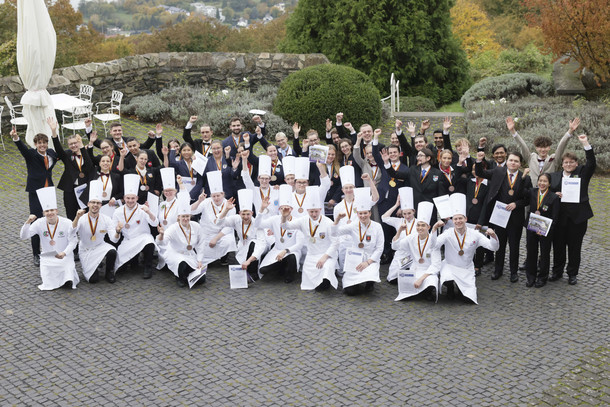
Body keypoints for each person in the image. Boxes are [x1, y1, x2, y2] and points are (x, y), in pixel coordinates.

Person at [475, 150, 531, 282]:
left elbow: (528, 198)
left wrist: (517, 204)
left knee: (514, 246)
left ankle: (513, 272)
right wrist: (478, 161)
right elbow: (480, 173)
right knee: (499, 244)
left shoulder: (525, 178)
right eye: (511, 160)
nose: (513, 163)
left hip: (515, 217)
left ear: (520, 164)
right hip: (499, 216)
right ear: (507, 161)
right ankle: (498, 270)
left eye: (516, 161)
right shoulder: (498, 171)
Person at [435, 193, 500, 304]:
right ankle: (450, 287)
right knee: (447, 278)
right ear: (452, 221)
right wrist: (434, 229)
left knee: (467, 299)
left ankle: (460, 288)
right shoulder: (447, 233)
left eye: (460, 218)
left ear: (466, 219)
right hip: (450, 266)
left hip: (466, 269)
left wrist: (493, 236)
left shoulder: (475, 234)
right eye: (455, 219)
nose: (458, 221)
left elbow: (493, 247)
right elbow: (434, 245)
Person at [549, 134, 595, 285]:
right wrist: (554, 195)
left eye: (572, 162)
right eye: (566, 162)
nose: (568, 164)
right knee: (558, 247)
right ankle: (557, 272)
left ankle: (572, 274)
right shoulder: (554, 177)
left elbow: (591, 163)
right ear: (562, 164)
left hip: (578, 218)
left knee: (575, 248)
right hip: (559, 218)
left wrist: (585, 143)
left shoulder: (582, 173)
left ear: (576, 163)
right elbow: (546, 192)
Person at [11, 125, 58, 266]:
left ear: (47, 144)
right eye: (39, 143)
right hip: (35, 192)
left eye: (44, 143)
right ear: (35, 144)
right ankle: (36, 254)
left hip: (48, 191)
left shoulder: (51, 153)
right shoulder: (31, 154)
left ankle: (52, 247)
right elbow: (22, 149)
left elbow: (61, 153)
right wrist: (16, 138)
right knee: (36, 221)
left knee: (52, 220)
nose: (42, 145)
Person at [280, 186, 339, 291]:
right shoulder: (302, 220)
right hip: (311, 256)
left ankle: (326, 280)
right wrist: (284, 217)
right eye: (311, 212)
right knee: (309, 283)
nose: (314, 214)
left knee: (326, 270)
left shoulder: (328, 222)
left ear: (320, 209)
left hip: (327, 255)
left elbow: (335, 242)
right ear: (307, 210)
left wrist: (324, 257)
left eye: (316, 211)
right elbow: (285, 226)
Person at [20, 187, 79, 290]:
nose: (50, 213)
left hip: (64, 256)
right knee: (49, 282)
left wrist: (64, 253)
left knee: (68, 277)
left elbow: (73, 241)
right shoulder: (39, 223)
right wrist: (28, 222)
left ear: (57, 211)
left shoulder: (67, 222)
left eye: (52, 210)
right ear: (43, 213)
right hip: (48, 258)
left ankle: (67, 279)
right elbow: (23, 236)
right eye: (47, 211)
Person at [332, 188, 384, 295]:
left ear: (370, 213)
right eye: (360, 214)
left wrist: (367, 262)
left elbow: (379, 249)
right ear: (358, 214)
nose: (363, 216)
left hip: (370, 259)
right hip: (355, 259)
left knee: (370, 276)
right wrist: (337, 220)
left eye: (365, 213)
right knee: (350, 291)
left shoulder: (377, 227)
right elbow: (334, 233)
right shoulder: (353, 226)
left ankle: (370, 282)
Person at [110, 174, 159, 279]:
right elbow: (113, 234)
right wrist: (117, 231)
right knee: (121, 268)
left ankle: (148, 267)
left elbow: (155, 223)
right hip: (128, 240)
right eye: (128, 198)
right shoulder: (118, 211)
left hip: (142, 237)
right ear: (124, 198)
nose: (130, 201)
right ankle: (133, 260)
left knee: (150, 242)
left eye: (133, 198)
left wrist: (149, 212)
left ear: (137, 198)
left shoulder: (143, 208)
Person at [333, 167, 379, 273]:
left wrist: (370, 181)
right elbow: (336, 226)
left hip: (358, 240)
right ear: (342, 190)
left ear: (354, 188)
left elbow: (375, 198)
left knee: (358, 269)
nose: (349, 190)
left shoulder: (361, 201)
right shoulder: (338, 207)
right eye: (346, 188)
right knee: (344, 271)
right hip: (344, 241)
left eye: (351, 187)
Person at [507, 116, 578, 185]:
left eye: (545, 147)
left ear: (549, 148)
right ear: (536, 148)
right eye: (540, 147)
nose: (543, 149)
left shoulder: (554, 159)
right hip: (533, 191)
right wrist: (513, 131)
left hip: (549, 191)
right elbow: (522, 145)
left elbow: (561, 146)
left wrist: (570, 131)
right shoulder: (531, 158)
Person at [256, 185, 304, 283]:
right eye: (282, 208)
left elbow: (299, 244)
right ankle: (282, 266)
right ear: (279, 209)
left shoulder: (297, 222)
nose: (284, 211)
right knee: (263, 270)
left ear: (291, 209)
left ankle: (289, 274)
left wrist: (286, 251)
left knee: (291, 257)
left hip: (292, 251)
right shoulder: (274, 219)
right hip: (277, 249)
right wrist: (261, 209)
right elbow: (258, 225)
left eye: (287, 208)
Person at [395, 201, 442, 302]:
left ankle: (427, 292)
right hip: (415, 269)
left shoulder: (433, 241)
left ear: (428, 227)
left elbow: (436, 265)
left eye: (423, 225)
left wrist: (421, 278)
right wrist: (399, 231)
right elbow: (396, 246)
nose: (420, 228)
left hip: (428, 271)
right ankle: (419, 291)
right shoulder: (411, 238)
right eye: (418, 225)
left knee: (432, 281)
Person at [72, 180, 117, 283]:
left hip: (100, 246)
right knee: (93, 280)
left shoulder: (106, 219)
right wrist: (76, 218)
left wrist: (118, 231)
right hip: (86, 249)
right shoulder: (81, 219)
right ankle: (94, 266)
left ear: (101, 205)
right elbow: (72, 231)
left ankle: (109, 272)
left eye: (98, 203)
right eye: (93, 202)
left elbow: (114, 239)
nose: (95, 205)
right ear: (88, 204)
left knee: (112, 251)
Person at [216, 189, 267, 282]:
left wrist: (249, 261)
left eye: (248, 214)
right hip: (242, 247)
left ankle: (253, 273)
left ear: (252, 213)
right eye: (243, 214)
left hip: (258, 249)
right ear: (239, 213)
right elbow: (219, 223)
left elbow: (261, 245)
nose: (246, 217)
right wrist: (226, 210)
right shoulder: (236, 219)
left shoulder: (257, 223)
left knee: (253, 243)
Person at [50, 119, 95, 220]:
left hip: (85, 188)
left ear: (79, 143)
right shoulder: (67, 154)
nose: (73, 145)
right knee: (70, 213)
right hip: (70, 189)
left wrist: (83, 148)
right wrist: (54, 131)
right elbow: (58, 148)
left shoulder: (86, 153)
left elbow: (89, 166)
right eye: (71, 144)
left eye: (75, 143)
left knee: (86, 213)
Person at [157, 195, 206, 288]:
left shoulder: (196, 226)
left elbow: (201, 244)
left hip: (190, 255)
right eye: (183, 216)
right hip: (176, 254)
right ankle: (179, 277)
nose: (185, 219)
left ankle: (186, 275)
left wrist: (199, 260)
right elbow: (162, 242)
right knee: (181, 263)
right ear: (178, 217)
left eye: (187, 216)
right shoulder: (173, 228)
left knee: (201, 280)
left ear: (190, 216)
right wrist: (162, 235)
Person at [191, 171, 237, 267]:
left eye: (218, 195)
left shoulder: (229, 205)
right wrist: (199, 201)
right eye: (214, 196)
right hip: (207, 233)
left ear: (223, 194)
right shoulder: (206, 202)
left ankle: (224, 258)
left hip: (222, 234)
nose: (216, 198)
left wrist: (216, 238)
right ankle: (208, 259)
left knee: (229, 241)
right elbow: (192, 211)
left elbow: (229, 227)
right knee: (199, 244)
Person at [524, 173, 560, 287]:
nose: (542, 183)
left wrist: (545, 230)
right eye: (540, 181)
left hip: (545, 231)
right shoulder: (532, 192)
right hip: (532, 227)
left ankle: (542, 277)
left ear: (549, 184)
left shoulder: (554, 197)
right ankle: (531, 276)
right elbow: (521, 191)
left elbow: (555, 217)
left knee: (544, 254)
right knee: (531, 252)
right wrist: (524, 177)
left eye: (545, 181)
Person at [384, 187, 416, 284]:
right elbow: (384, 218)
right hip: (401, 254)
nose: (407, 216)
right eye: (404, 213)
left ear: (414, 211)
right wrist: (396, 205)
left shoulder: (419, 223)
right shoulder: (399, 222)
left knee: (414, 276)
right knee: (392, 278)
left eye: (409, 213)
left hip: (414, 254)